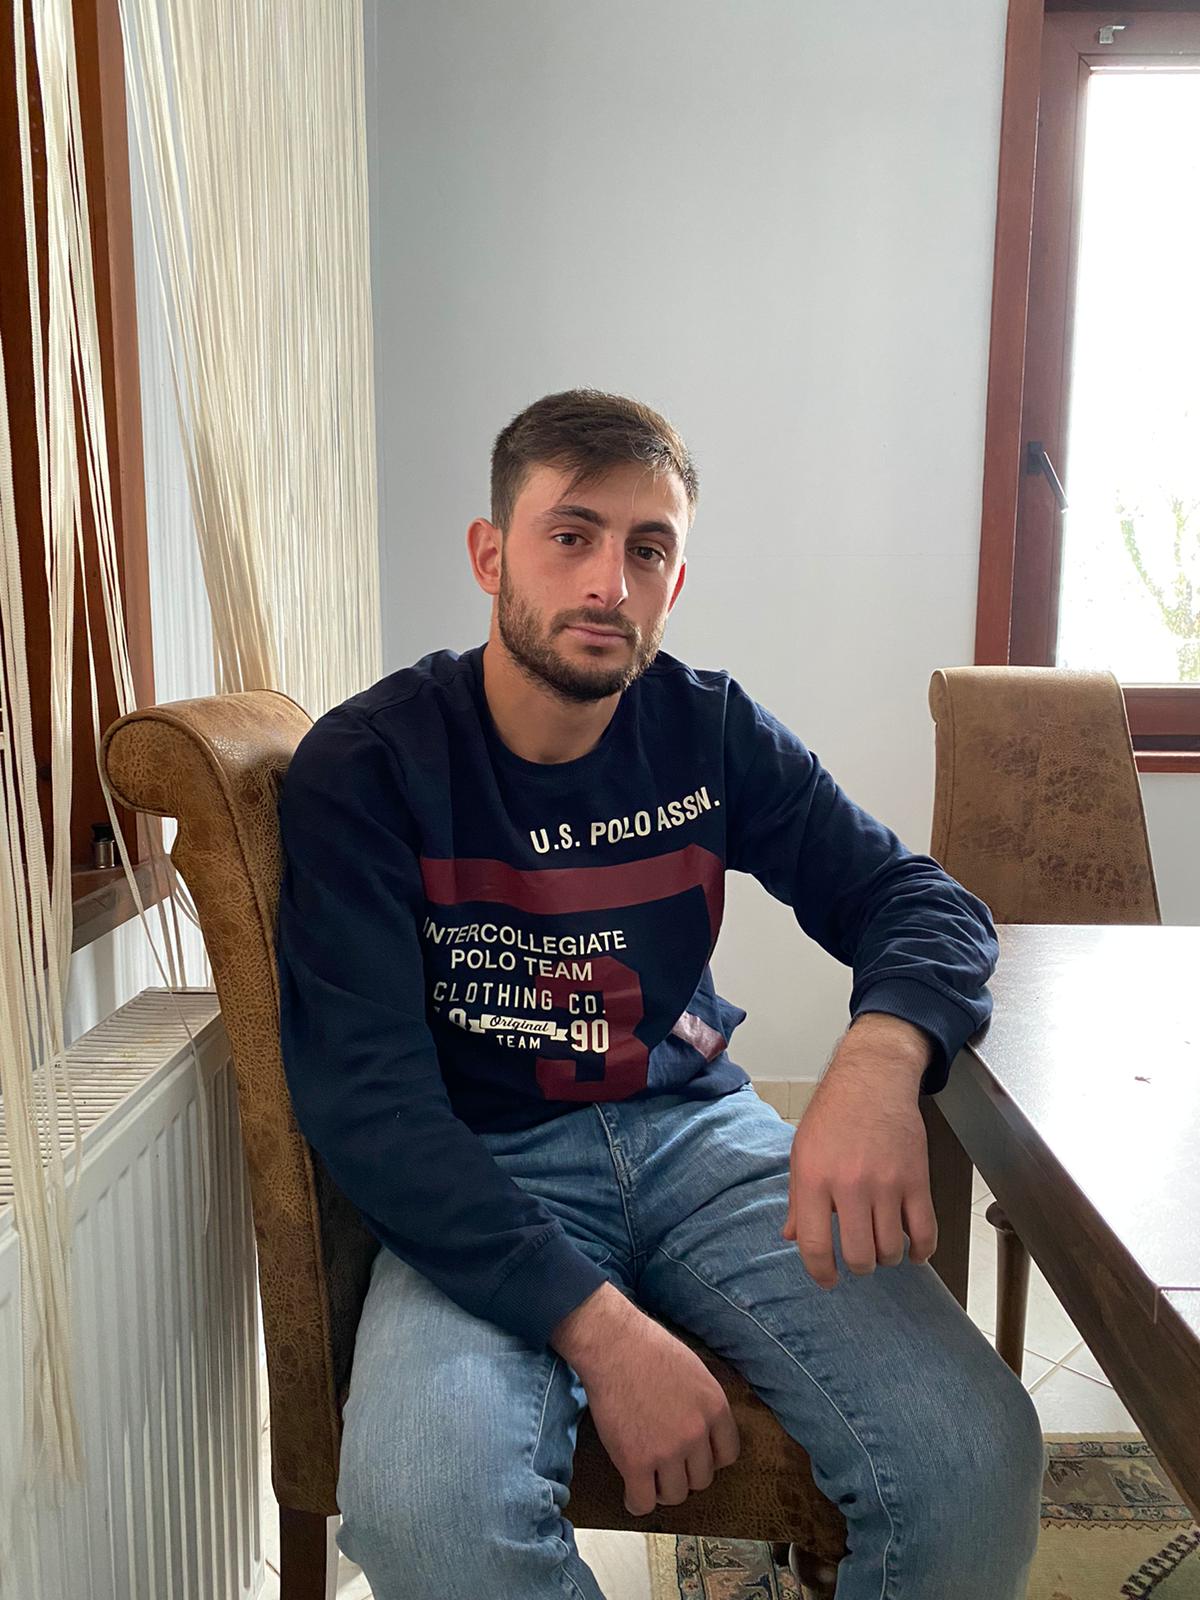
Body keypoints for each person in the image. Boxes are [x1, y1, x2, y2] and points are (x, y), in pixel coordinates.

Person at [274, 388, 1046, 1599]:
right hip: (482, 1163)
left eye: (647, 549)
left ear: (675, 583)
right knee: (431, 1516)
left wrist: (880, 1059)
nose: (609, 583)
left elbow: (919, 898)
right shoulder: (369, 766)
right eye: (570, 535)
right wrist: (597, 1327)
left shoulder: (709, 730)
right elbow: (367, 1102)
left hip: (702, 1139)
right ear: (490, 554)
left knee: (974, 1460)